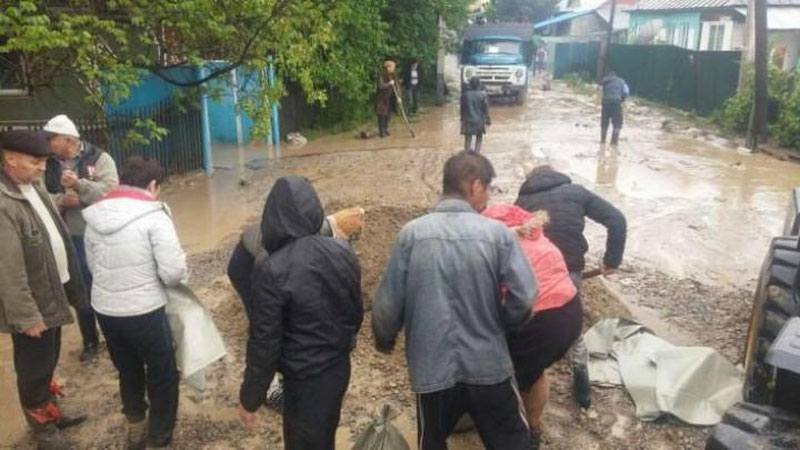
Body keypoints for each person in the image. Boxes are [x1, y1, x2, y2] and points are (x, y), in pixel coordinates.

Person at [373, 151, 538, 450]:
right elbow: (525, 296)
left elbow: (386, 304)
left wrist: (385, 339)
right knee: (512, 441)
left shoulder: (411, 235)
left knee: (432, 442)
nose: (487, 198)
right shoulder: (498, 235)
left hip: (431, 370)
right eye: (486, 188)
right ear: (474, 185)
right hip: (489, 364)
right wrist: (504, 325)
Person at [238, 176, 363, 450]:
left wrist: (250, 398)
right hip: (339, 368)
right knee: (324, 431)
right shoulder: (343, 251)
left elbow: (264, 342)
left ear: (272, 216)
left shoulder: (271, 269)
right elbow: (356, 314)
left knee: (304, 440)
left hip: (304, 378)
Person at [82, 156, 186, 449]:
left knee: (128, 369)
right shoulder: (155, 215)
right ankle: (159, 437)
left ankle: (135, 426)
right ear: (153, 186)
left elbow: (93, 266)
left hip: (105, 310)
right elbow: (173, 272)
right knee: (162, 371)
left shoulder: (94, 215)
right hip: (144, 310)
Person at [0, 130, 88, 450]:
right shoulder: (3, 203)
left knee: (49, 358)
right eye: (35, 161)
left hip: (54, 290)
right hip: (32, 304)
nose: (42, 167)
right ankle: (43, 431)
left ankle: (51, 411)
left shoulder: (32, 187)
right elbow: (7, 270)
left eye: (44, 161)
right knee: (33, 368)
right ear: (10, 159)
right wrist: (26, 316)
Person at [515, 165, 627, 409]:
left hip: (537, 271)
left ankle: (528, 379)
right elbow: (617, 220)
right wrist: (611, 261)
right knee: (575, 335)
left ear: (529, 181)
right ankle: (582, 389)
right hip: (570, 270)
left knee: (529, 322)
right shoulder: (576, 192)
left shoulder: (521, 201)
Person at [481, 205, 582, 449]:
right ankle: (533, 426)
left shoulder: (495, 250)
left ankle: (517, 439)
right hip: (570, 313)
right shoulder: (537, 239)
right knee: (534, 371)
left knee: (505, 385)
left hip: (540, 321)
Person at [44, 114, 119, 362]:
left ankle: (116, 337)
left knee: (109, 285)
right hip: (70, 237)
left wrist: (80, 187)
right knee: (80, 291)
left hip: (101, 234)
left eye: (50, 138)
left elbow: (112, 194)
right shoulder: (48, 164)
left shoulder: (99, 159)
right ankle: (90, 341)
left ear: (67, 140)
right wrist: (60, 201)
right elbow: (40, 198)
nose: (46, 143)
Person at [461, 77, 491, 152]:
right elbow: (485, 109)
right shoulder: (483, 95)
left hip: (468, 120)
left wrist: (462, 119)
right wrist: (488, 119)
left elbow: (462, 109)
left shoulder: (465, 95)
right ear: (479, 85)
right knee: (479, 138)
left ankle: (467, 154)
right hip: (479, 121)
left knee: (468, 139)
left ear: (470, 85)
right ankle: (477, 153)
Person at [599, 71, 630, 146]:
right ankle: (614, 143)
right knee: (617, 123)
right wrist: (622, 99)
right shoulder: (621, 81)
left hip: (605, 102)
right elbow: (626, 92)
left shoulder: (605, 81)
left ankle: (602, 141)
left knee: (604, 122)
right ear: (616, 76)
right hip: (616, 102)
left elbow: (602, 92)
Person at [376, 60, 400, 138]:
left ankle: (386, 129)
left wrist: (399, 97)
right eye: (393, 67)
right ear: (388, 67)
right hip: (382, 98)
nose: (394, 69)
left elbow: (397, 86)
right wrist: (389, 83)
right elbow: (381, 86)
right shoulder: (381, 75)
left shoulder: (394, 75)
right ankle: (381, 131)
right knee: (382, 114)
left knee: (388, 115)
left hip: (390, 98)